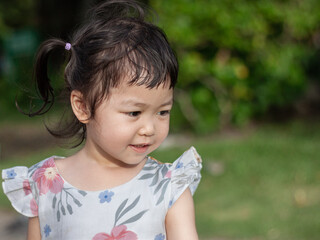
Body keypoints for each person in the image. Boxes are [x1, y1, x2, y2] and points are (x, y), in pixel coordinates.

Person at [2, 1, 202, 239]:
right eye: (134, 113)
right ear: (83, 106)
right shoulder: (45, 183)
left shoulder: (170, 186)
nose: (149, 128)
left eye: (162, 112)